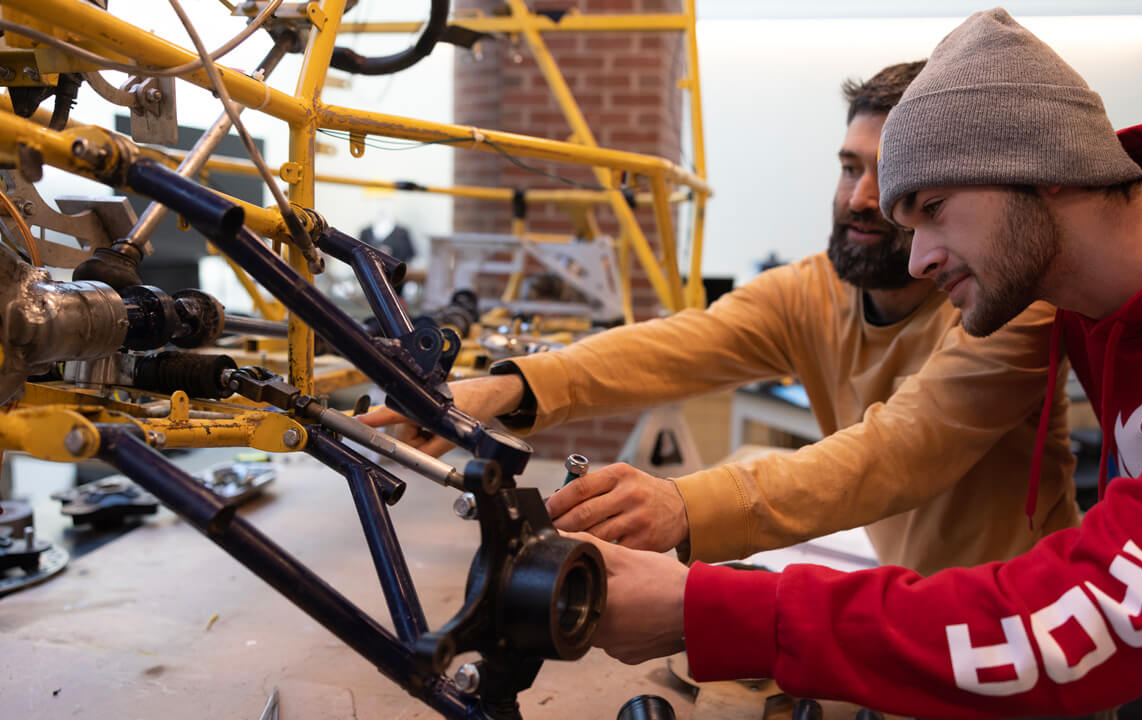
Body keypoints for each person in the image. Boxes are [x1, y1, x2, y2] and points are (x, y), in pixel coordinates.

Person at [574, 8, 1142, 719]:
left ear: (1047, 170)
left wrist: (703, 610)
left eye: (933, 208)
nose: (918, 259)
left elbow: (1091, 620)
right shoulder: (1104, 300)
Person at [367, 61, 1081, 578]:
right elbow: (677, 344)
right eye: (847, 167)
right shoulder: (812, 290)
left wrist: (684, 504)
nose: (862, 198)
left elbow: (895, 453)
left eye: (892, 176)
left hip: (1025, 624)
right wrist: (505, 389)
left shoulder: (1010, 306)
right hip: (907, 609)